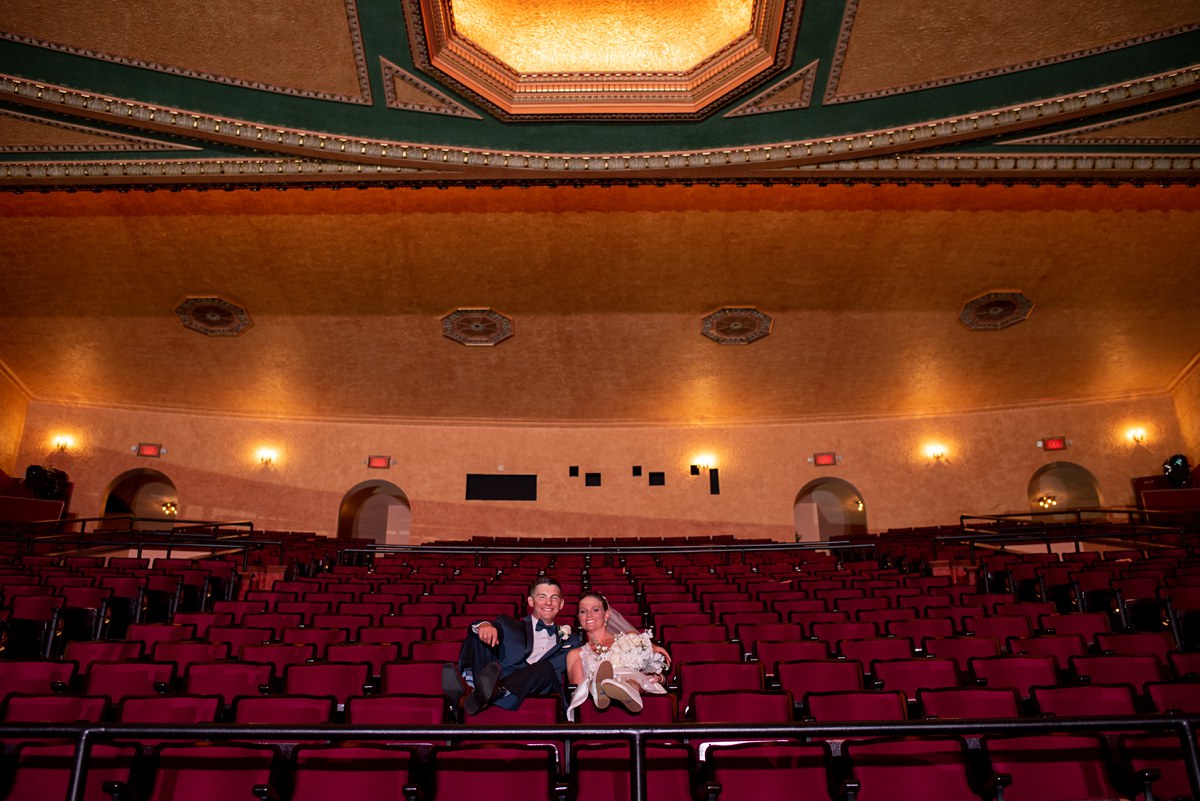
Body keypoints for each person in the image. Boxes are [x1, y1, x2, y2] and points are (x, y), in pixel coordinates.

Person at [442, 576, 582, 714]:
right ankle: (476, 686)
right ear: (530, 601)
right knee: (478, 636)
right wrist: (484, 625)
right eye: (542, 597)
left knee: (545, 667)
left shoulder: (572, 640)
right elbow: (482, 629)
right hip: (500, 679)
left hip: (544, 683)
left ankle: (471, 697)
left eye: (554, 598)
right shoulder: (509, 625)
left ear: (562, 604)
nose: (548, 603)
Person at [566, 590, 671, 719]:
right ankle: (601, 687)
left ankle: (630, 689)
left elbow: (660, 675)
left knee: (631, 678)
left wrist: (658, 677)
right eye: (583, 611)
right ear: (579, 618)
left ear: (607, 614)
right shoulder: (576, 654)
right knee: (598, 679)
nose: (589, 615)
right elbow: (579, 698)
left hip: (645, 705)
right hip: (602, 714)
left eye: (595, 610)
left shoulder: (631, 638)